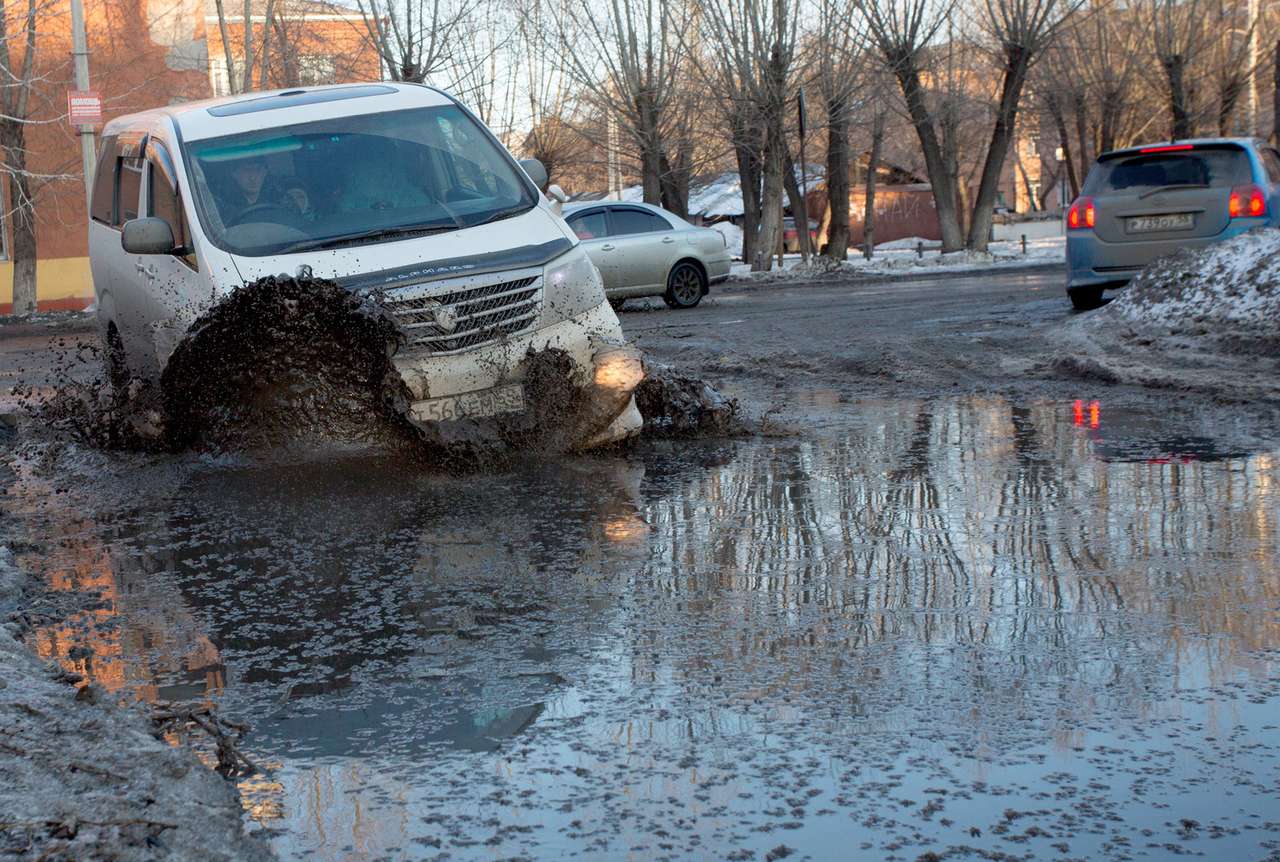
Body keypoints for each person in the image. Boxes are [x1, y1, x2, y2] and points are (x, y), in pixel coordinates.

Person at [216, 156, 309, 224]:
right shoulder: (221, 205)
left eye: (258, 169)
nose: (253, 177)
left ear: (265, 172)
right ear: (234, 174)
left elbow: (298, 226)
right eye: (246, 170)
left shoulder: (281, 199)